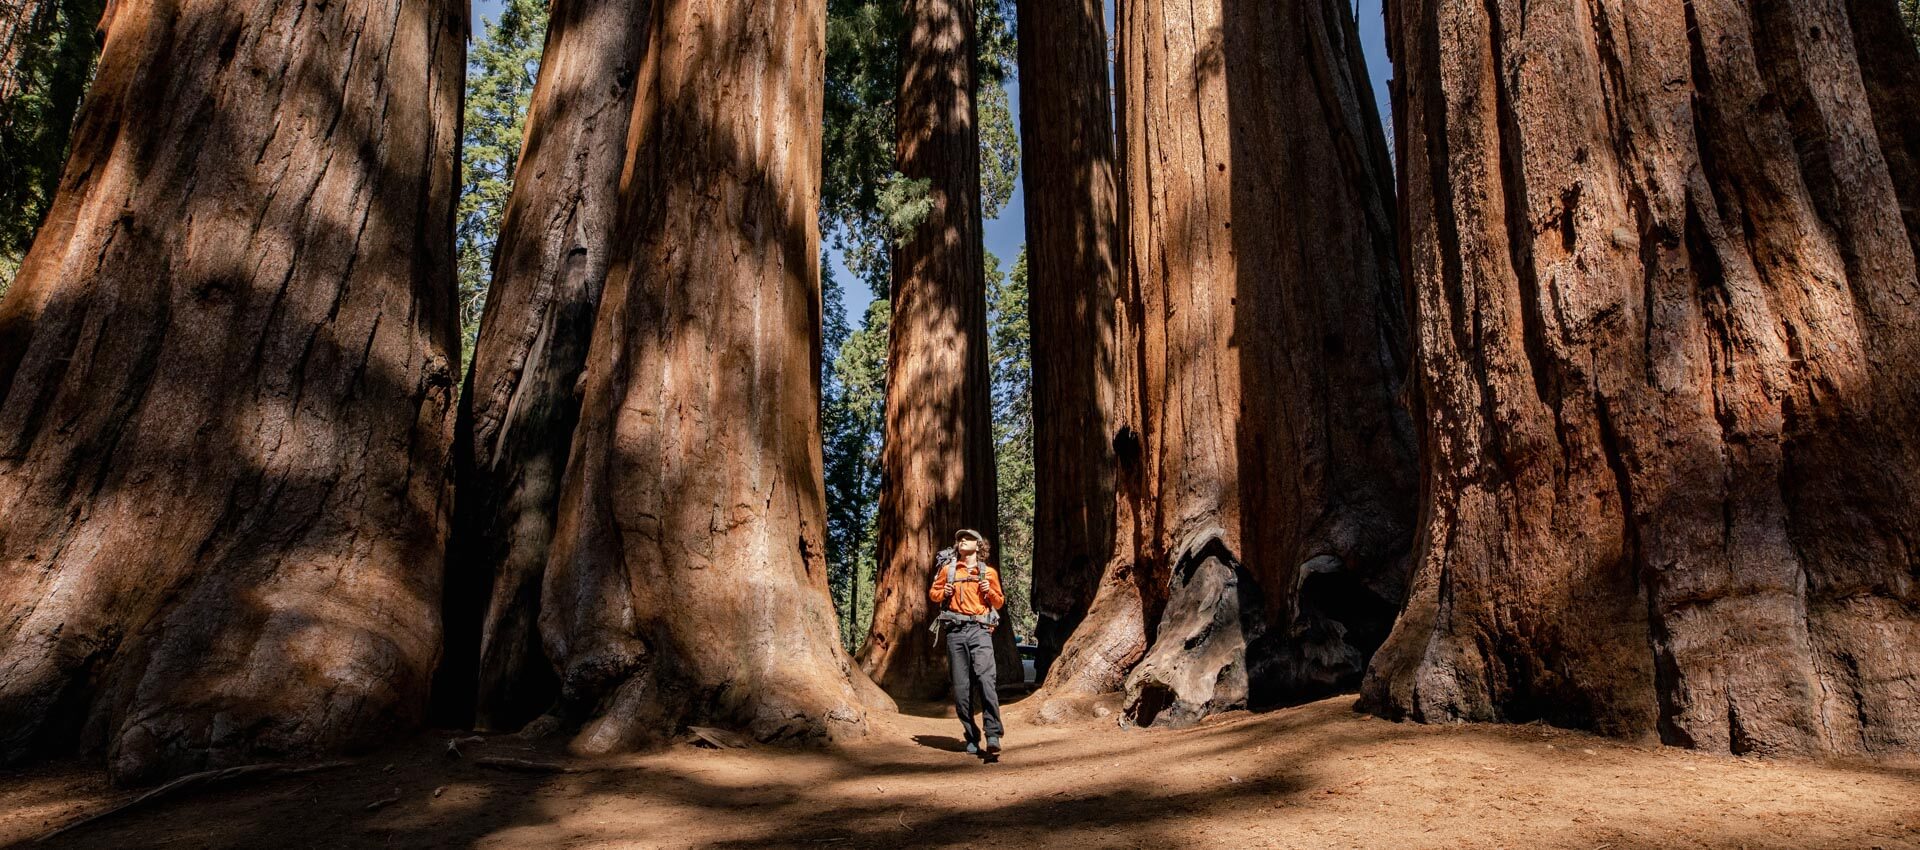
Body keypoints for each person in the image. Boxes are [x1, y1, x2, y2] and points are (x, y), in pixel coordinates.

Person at [929, 528, 1005, 755]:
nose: (962, 541)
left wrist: (988, 591)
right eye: (960, 539)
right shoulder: (948, 570)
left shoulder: (988, 572)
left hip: (980, 630)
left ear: (979, 545)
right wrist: (945, 592)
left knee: (985, 680)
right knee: (961, 688)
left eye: (968, 539)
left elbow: (999, 602)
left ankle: (993, 734)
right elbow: (934, 593)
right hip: (955, 632)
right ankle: (971, 735)